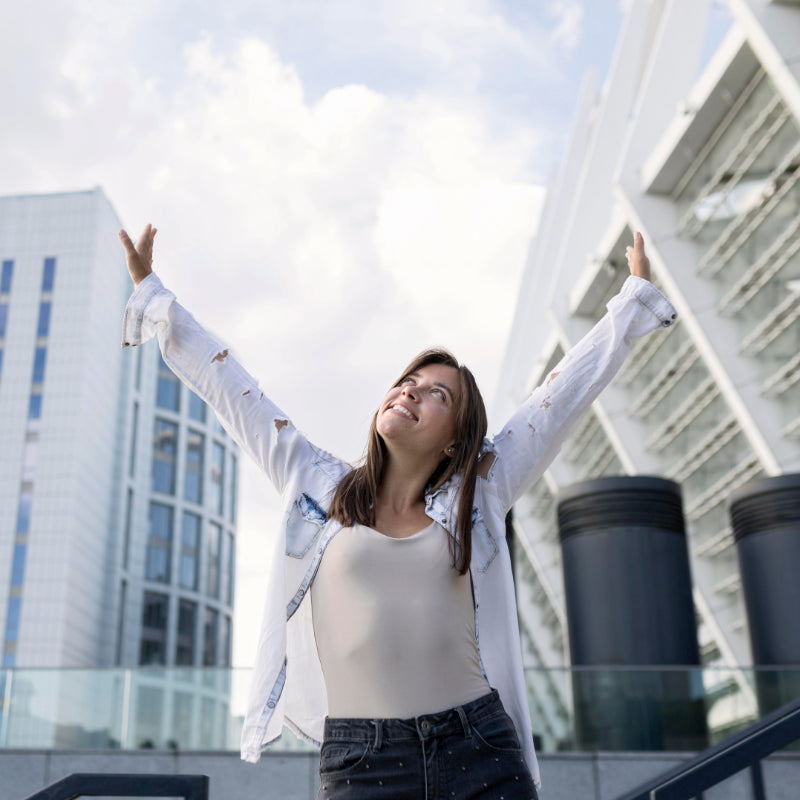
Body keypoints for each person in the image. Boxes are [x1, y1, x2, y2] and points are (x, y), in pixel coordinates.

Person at [119, 225, 677, 799]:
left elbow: (558, 400)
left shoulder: (478, 492)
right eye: (408, 382)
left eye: (438, 394)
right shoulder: (316, 484)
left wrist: (631, 302)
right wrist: (157, 300)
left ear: (457, 442)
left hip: (479, 749)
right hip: (364, 762)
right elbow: (231, 387)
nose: (410, 392)